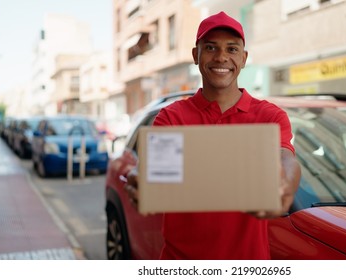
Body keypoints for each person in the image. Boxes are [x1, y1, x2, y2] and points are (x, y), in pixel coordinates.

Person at [125, 11, 301, 260]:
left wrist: (286, 182)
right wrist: (140, 178)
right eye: (210, 47)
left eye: (231, 49)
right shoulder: (172, 117)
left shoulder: (270, 116)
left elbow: (287, 159)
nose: (221, 57)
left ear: (243, 58)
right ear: (196, 55)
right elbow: (153, 167)